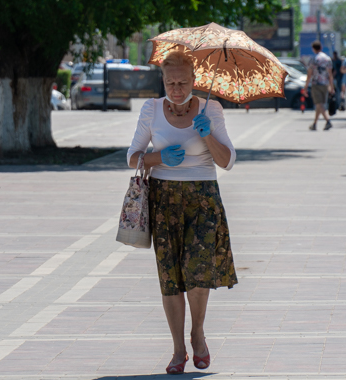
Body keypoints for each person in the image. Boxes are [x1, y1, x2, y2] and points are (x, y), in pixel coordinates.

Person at [126, 50, 237, 375]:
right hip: (164, 201)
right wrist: (156, 158)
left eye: (183, 82)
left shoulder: (210, 109)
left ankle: (197, 334)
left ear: (194, 80)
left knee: (199, 273)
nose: (176, 88)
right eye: (170, 82)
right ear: (163, 81)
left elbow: (228, 161)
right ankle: (178, 350)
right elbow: (132, 157)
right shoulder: (151, 109)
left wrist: (207, 134)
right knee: (171, 278)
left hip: (203, 199)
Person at [302, 41, 335, 130]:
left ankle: (328, 121)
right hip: (325, 84)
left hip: (316, 84)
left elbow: (309, 74)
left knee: (319, 103)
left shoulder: (314, 59)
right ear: (321, 48)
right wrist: (332, 87)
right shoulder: (327, 59)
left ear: (313, 49)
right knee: (320, 105)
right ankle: (315, 124)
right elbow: (330, 74)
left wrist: (305, 87)